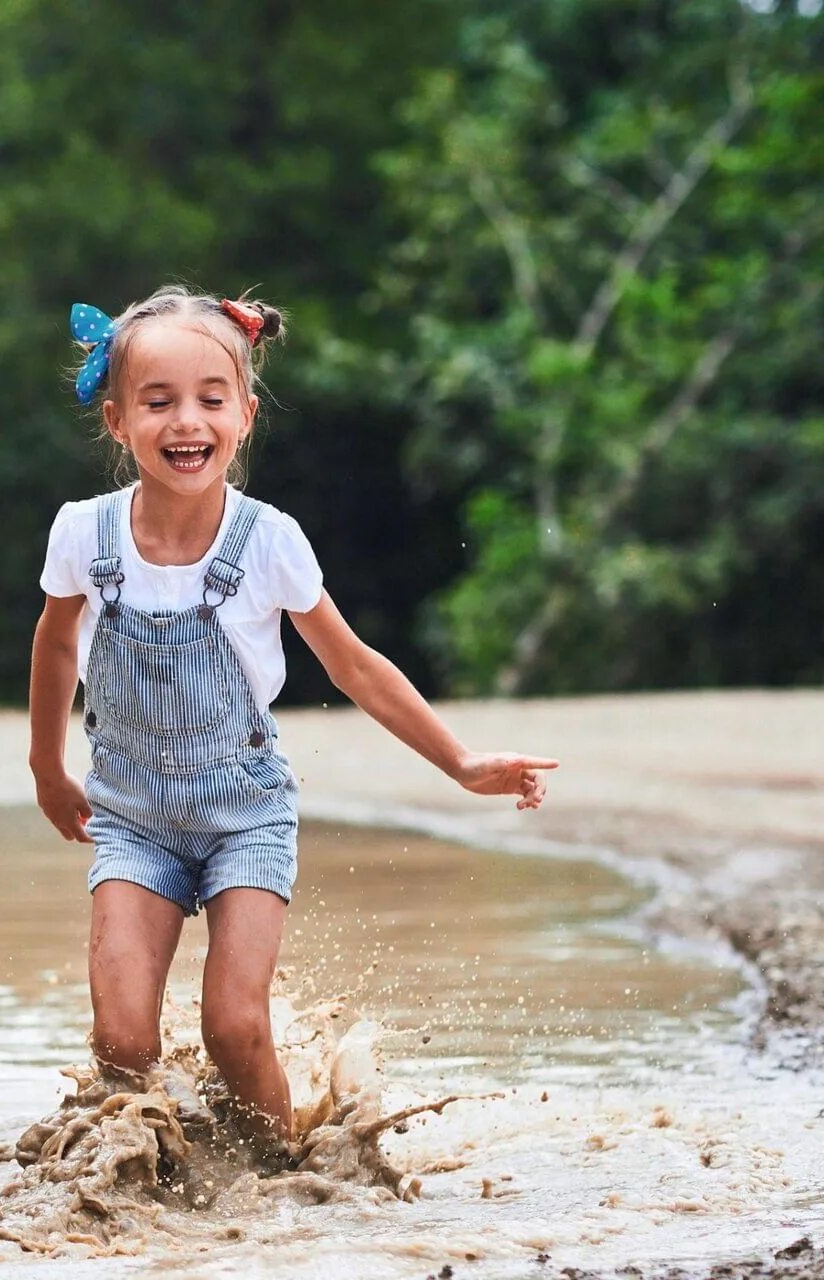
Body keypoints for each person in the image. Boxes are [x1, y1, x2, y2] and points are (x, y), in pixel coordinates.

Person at [27, 286, 553, 1146]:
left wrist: (460, 763)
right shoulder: (83, 535)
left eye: (209, 398)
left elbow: (354, 666)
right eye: (158, 402)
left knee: (235, 1030)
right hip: (131, 818)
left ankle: (283, 1174)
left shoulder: (269, 541)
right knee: (122, 1043)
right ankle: (149, 1183)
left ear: (244, 414)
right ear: (117, 420)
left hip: (247, 816)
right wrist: (48, 768)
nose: (185, 420)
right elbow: (55, 649)